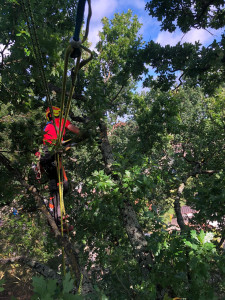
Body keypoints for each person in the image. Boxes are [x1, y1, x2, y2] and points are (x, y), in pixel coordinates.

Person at [36, 106, 80, 230]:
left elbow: (43, 146)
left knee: (57, 187)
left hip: (46, 156)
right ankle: (56, 219)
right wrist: (88, 135)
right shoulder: (61, 121)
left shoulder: (47, 127)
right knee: (63, 186)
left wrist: (39, 167)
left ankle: (56, 217)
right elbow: (76, 131)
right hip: (52, 155)